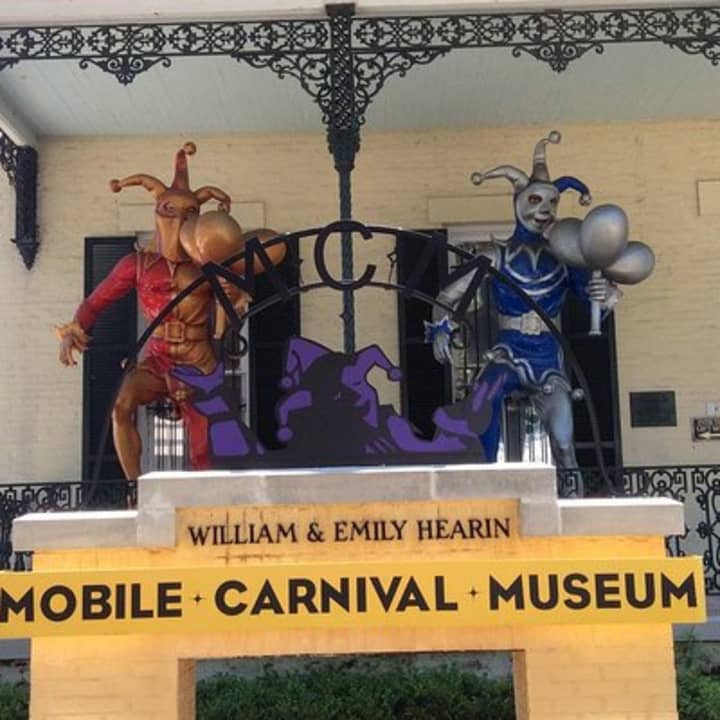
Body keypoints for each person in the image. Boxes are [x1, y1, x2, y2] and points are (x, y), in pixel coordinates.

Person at [56, 142, 284, 480]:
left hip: (198, 360)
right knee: (121, 407)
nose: (178, 219)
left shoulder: (209, 266)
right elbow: (96, 301)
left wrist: (232, 294)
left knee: (202, 445)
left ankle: (202, 498)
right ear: (157, 213)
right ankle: (135, 489)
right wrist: (74, 328)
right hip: (158, 357)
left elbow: (231, 315)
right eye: (169, 209)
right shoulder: (136, 265)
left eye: (189, 212)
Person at [425, 132, 619, 468]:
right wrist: (441, 326)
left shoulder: (566, 257)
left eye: (552, 202)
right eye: (535, 200)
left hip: (548, 355)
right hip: (508, 350)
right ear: (518, 201)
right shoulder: (495, 255)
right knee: (484, 398)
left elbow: (591, 297)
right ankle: (488, 479)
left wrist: (609, 295)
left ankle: (571, 492)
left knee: (563, 442)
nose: (545, 210)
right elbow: (450, 294)